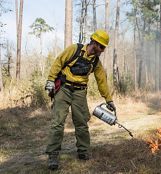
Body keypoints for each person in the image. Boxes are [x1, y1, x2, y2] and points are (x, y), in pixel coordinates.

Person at [44, 29, 116, 170]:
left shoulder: (95, 62)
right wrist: (51, 80)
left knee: (82, 123)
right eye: (101, 46)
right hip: (64, 89)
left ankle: (83, 151)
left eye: (104, 48)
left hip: (80, 92)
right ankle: (53, 155)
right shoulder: (75, 49)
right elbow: (59, 61)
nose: (102, 50)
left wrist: (109, 100)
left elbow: (102, 80)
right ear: (94, 42)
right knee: (58, 123)